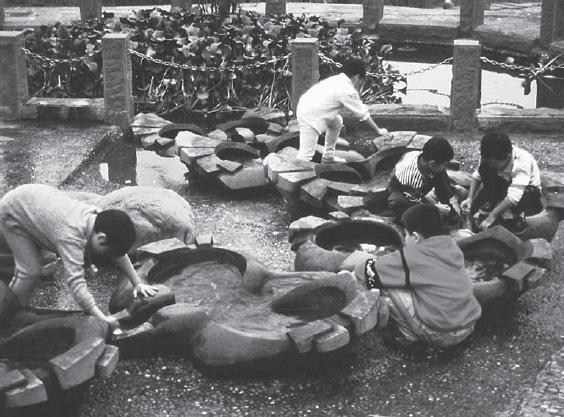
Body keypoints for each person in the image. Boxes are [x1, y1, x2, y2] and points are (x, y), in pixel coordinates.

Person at [0, 184, 158, 329]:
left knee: (26, 271)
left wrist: (137, 283)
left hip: (34, 204)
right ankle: (14, 319)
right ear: (101, 239)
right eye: (108, 252)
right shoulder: (70, 238)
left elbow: (119, 255)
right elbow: (76, 284)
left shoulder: (98, 219)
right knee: (30, 272)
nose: (109, 256)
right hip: (13, 212)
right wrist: (101, 317)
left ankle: (8, 307)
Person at [354, 204, 481, 350]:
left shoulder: (411, 256)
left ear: (415, 237)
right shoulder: (451, 246)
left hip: (441, 335)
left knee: (384, 285)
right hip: (469, 325)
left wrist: (365, 259)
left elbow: (363, 271)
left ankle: (409, 336)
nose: (405, 238)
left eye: (406, 234)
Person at [296, 58, 392, 164]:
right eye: (361, 81)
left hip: (307, 106)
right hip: (310, 116)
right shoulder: (347, 90)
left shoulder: (338, 79)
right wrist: (378, 130)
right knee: (305, 157)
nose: (360, 84)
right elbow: (363, 115)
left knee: (337, 121)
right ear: (357, 77)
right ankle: (295, 176)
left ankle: (328, 157)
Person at [460, 131, 542, 233]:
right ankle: (493, 202)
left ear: (507, 157)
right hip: (503, 183)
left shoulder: (522, 162)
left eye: (493, 163)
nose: (491, 165)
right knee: (485, 168)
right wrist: (469, 198)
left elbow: (513, 197)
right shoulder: (489, 156)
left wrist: (492, 216)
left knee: (513, 213)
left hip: (527, 191)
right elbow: (477, 176)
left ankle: (516, 216)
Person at [387, 136, 459, 225]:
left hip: (419, 179)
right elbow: (416, 203)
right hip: (400, 189)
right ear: (432, 164)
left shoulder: (425, 157)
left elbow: (440, 174)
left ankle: (448, 208)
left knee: (440, 173)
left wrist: (447, 197)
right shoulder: (412, 180)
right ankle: (402, 220)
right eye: (445, 165)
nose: (445, 167)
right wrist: (435, 208)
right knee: (400, 203)